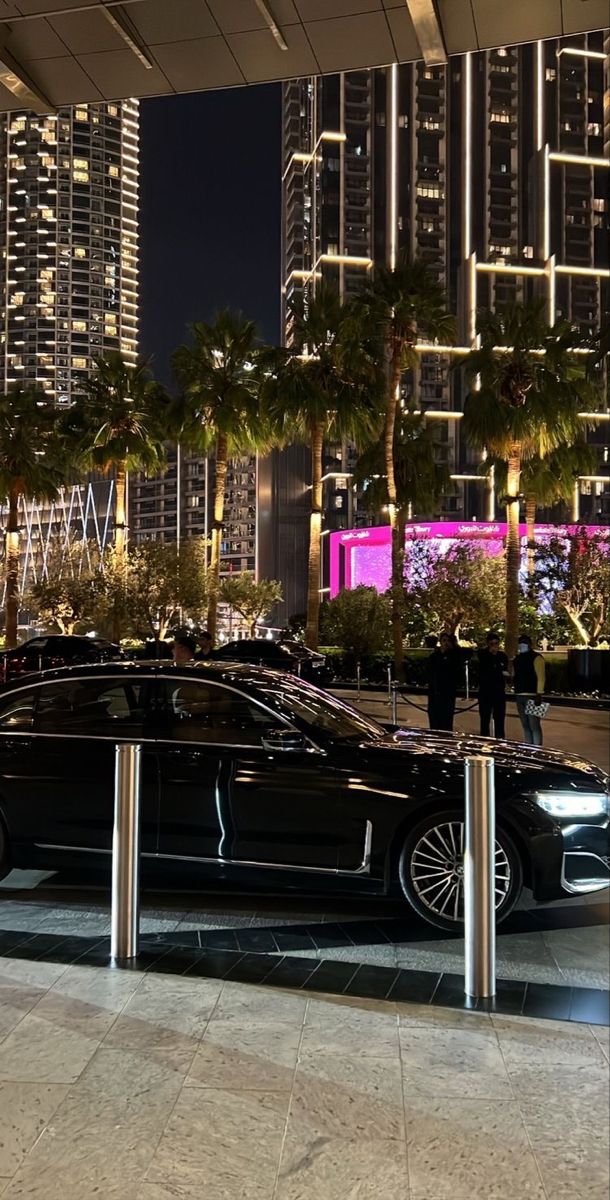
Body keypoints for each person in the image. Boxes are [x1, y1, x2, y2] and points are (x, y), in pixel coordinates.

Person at [513, 633, 546, 746]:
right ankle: (528, 748)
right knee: (525, 725)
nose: (522, 645)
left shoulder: (537, 658)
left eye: (525, 643)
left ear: (530, 644)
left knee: (534, 725)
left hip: (532, 695)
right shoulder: (517, 659)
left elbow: (541, 677)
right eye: (520, 642)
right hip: (519, 694)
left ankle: (537, 749)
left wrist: (539, 694)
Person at [427, 632, 462, 732]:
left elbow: (457, 667)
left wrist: (452, 648)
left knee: (446, 718)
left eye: (448, 641)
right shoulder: (434, 656)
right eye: (444, 641)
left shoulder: (453, 656)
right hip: (435, 690)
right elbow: (430, 671)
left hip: (448, 691)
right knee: (434, 716)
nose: (445, 643)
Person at [477, 631, 508, 739]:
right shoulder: (483, 654)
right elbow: (482, 668)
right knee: (485, 719)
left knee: (500, 719)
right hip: (485, 692)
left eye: (496, 643)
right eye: (492, 643)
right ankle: (484, 740)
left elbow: (504, 669)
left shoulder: (502, 656)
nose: (495, 646)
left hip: (499, 692)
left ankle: (500, 740)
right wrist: (491, 653)